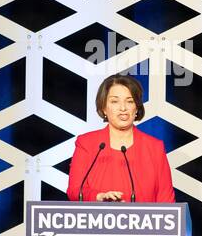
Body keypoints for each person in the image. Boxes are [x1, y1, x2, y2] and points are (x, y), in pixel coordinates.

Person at [66, 74, 175, 203]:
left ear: (136, 108)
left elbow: (166, 200)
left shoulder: (154, 147)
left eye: (129, 101)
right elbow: (75, 190)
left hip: (143, 222)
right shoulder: (87, 143)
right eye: (114, 101)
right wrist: (98, 197)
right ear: (103, 108)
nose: (123, 108)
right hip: (97, 221)